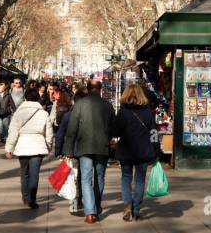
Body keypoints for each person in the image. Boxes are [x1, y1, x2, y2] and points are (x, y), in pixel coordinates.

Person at [63, 79, 115, 224]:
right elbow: (113, 127)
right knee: (99, 177)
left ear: (87, 89)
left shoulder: (79, 104)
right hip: (102, 147)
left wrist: (68, 149)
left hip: (84, 146)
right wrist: (107, 137)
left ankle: (90, 212)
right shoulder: (108, 105)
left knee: (85, 178)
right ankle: (96, 206)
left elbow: (72, 129)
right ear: (100, 89)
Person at [114, 84, 157, 221]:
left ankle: (127, 204)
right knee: (140, 179)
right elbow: (154, 133)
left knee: (126, 178)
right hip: (143, 152)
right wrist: (155, 148)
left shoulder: (122, 112)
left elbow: (115, 131)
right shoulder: (147, 112)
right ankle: (136, 208)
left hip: (126, 150)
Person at [5, 88, 54, 209]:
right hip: (38, 146)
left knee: (24, 173)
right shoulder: (43, 113)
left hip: (22, 145)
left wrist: (9, 148)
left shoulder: (19, 112)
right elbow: (49, 133)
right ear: (38, 98)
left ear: (25, 98)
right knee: (34, 173)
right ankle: (33, 198)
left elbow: (13, 131)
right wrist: (48, 146)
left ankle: (25, 197)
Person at [56, 88, 86, 213]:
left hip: (71, 150)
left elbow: (60, 133)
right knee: (83, 176)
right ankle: (81, 198)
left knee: (73, 176)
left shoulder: (68, 115)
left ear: (74, 101)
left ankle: (75, 201)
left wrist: (58, 151)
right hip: (85, 149)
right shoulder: (89, 115)